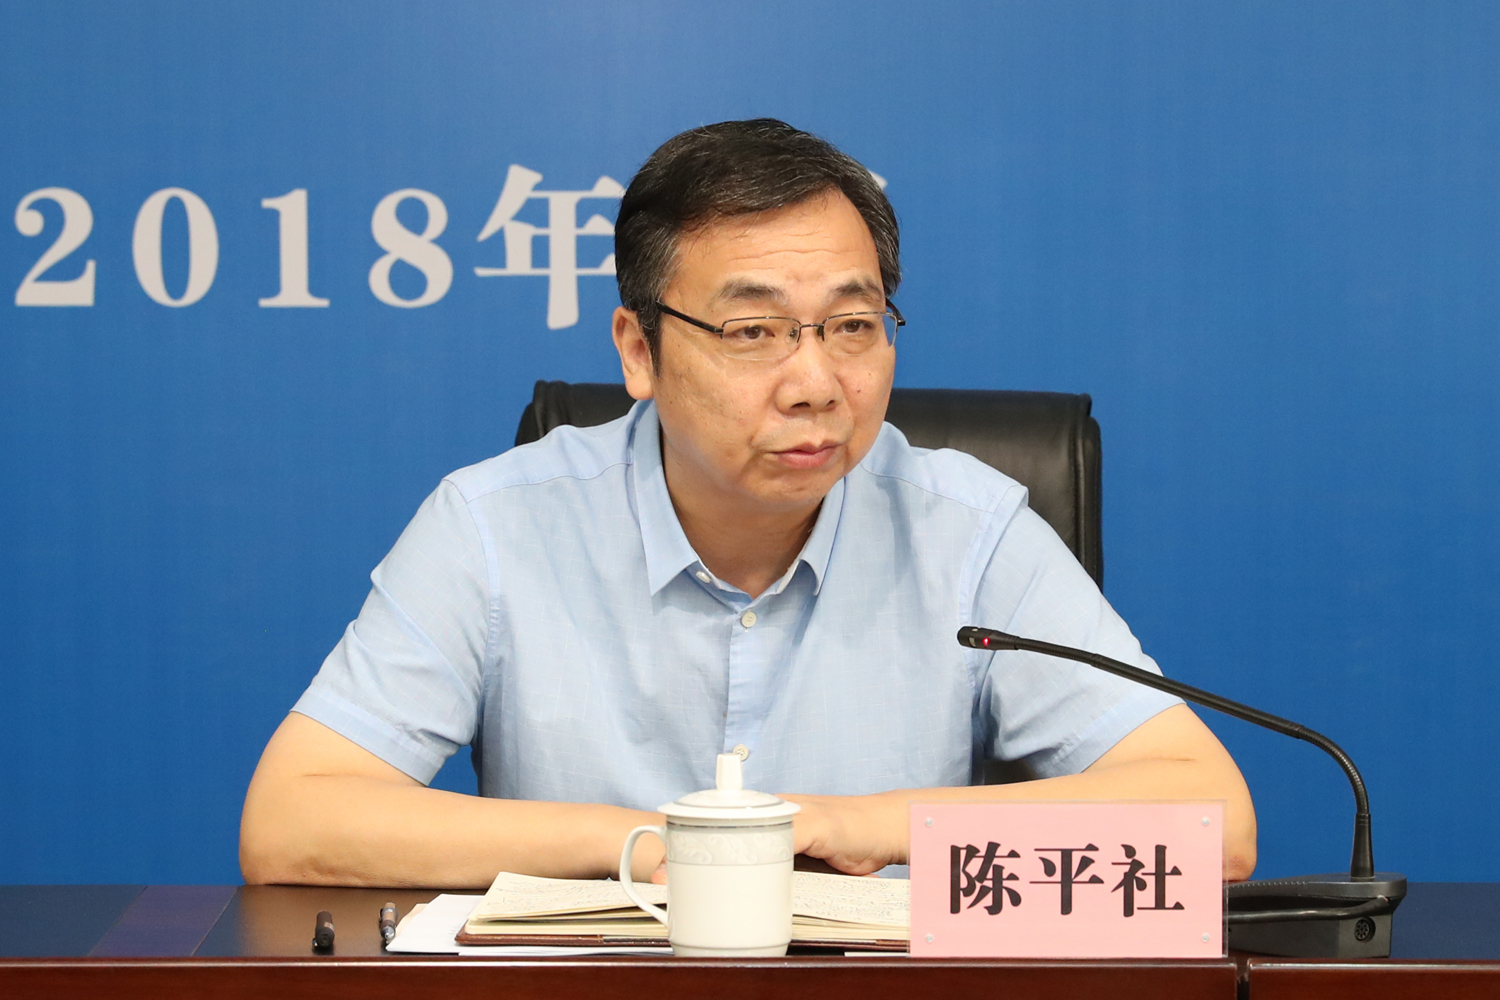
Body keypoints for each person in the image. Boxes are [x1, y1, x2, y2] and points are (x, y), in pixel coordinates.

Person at [240, 119, 1256, 888]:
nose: (816, 382)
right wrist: (659, 845)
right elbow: (292, 820)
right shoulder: (496, 525)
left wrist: (856, 825)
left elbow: (1212, 818)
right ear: (639, 351)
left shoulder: (972, 531)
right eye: (753, 333)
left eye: (852, 325)